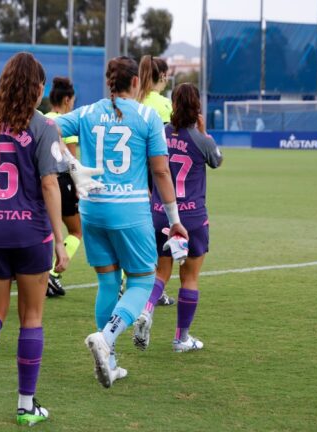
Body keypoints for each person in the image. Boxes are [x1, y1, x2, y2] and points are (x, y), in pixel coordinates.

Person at [55, 56, 188, 389]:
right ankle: (107, 337)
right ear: (135, 84)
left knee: (108, 285)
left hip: (93, 210)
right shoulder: (147, 116)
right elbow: (160, 171)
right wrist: (175, 220)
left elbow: (48, 127)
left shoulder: (86, 113)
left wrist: (71, 163)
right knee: (143, 282)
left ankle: (110, 362)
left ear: (108, 83)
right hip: (129, 210)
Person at [0, 52, 69, 430]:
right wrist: (58, 238)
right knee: (31, 318)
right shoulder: (42, 127)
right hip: (30, 233)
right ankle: (25, 406)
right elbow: (50, 183)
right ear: (36, 88)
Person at [133, 83, 223, 353]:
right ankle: (181, 338)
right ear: (197, 107)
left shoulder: (160, 133)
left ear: (173, 105)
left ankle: (147, 310)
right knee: (190, 278)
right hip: (192, 217)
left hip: (161, 214)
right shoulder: (200, 138)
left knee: (161, 272)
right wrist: (205, 133)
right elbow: (216, 161)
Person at [137, 55, 176, 306]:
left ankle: (126, 283)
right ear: (161, 75)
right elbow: (166, 148)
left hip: (132, 174)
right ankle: (155, 289)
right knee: (160, 235)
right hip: (154, 175)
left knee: (136, 232)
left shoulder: (134, 100)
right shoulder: (163, 105)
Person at [44, 77, 81, 297]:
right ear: (67, 99)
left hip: (40, 180)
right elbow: (71, 160)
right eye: (73, 100)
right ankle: (53, 274)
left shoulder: (41, 118)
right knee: (76, 230)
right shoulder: (67, 121)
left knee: (45, 228)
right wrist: (78, 186)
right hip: (61, 181)